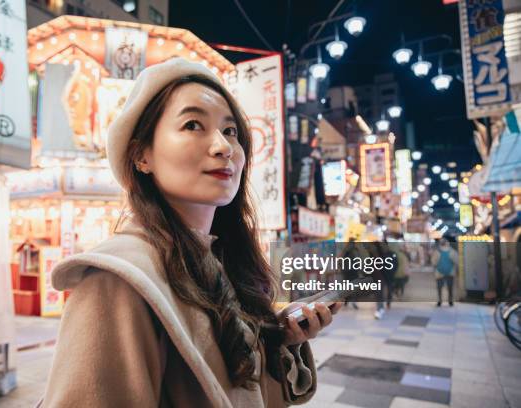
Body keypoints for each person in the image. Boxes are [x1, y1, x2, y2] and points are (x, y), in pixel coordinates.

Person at [38, 58, 341, 408]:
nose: (224, 147)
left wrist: (277, 339)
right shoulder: (118, 281)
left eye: (230, 131)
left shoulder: (223, 263)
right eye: (193, 124)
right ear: (141, 156)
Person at [431, 238, 458, 306]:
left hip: (439, 272)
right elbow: (456, 261)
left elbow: (434, 262)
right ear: (447, 243)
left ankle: (440, 301)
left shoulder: (437, 251)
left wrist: (435, 267)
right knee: (450, 287)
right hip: (450, 272)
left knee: (439, 287)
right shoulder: (452, 251)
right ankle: (450, 301)